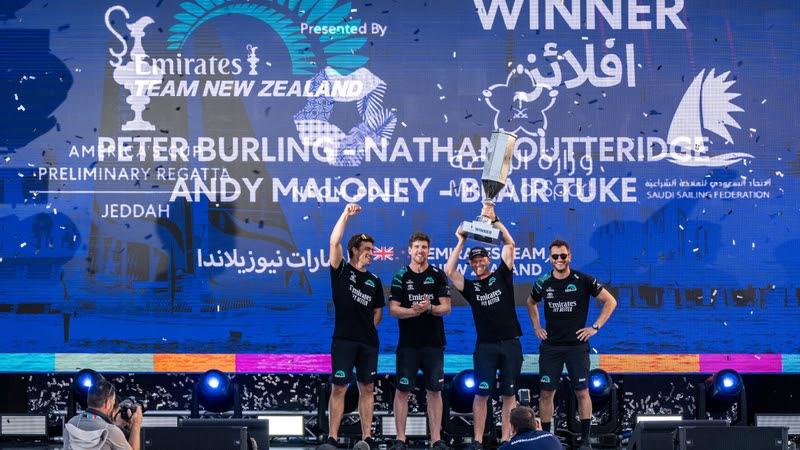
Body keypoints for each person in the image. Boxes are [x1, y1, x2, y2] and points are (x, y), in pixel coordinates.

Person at [527, 239, 617, 450]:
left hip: (577, 347)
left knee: (582, 392)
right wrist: (536, 327)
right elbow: (531, 302)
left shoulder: (583, 279)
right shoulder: (543, 282)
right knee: (547, 392)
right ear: (550, 259)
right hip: (551, 347)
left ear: (570, 257)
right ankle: (547, 440)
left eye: (563, 256)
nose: (559, 260)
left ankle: (585, 441)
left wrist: (594, 327)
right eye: (555, 256)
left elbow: (611, 301)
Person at [444, 204, 522, 448]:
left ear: (488, 259)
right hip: (485, 347)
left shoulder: (502, 275)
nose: (478, 263)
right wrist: (460, 241)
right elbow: (449, 270)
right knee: (481, 394)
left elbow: (509, 244)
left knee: (509, 394)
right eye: (474, 261)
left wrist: (496, 220)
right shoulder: (471, 287)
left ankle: (507, 439)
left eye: (481, 259)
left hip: (510, 343)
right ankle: (477, 441)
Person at [321, 203, 385, 450]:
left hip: (368, 343)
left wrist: (370, 328)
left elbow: (378, 310)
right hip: (344, 340)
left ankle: (366, 437)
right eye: (367, 249)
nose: (371, 253)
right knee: (339, 387)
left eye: (372, 249)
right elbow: (333, 242)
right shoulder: (341, 271)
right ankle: (332, 437)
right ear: (354, 250)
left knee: (367, 387)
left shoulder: (374, 280)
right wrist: (345, 215)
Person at [389, 232, 451, 450]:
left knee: (435, 391)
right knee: (402, 391)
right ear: (409, 250)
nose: (420, 251)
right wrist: (414, 312)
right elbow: (393, 310)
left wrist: (430, 308)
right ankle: (400, 439)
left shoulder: (438, 275)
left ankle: (436, 439)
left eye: (424, 247)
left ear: (429, 250)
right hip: (408, 345)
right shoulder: (400, 276)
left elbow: (446, 307)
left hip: (433, 344)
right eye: (416, 247)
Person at [63, 379, 142, 450]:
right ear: (107, 403)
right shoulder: (111, 432)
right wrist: (136, 424)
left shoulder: (71, 424)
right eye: (113, 402)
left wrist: (114, 425)